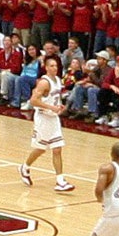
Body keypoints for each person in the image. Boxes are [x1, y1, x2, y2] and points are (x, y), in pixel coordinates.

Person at [20, 64, 75, 192]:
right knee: (41, 149)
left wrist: (59, 106)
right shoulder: (44, 82)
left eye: (56, 65)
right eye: (51, 66)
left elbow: (54, 98)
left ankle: (60, 181)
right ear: (46, 68)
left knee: (57, 149)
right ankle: (25, 167)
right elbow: (33, 101)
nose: (55, 68)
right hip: (43, 118)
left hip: (53, 118)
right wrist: (51, 108)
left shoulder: (57, 80)